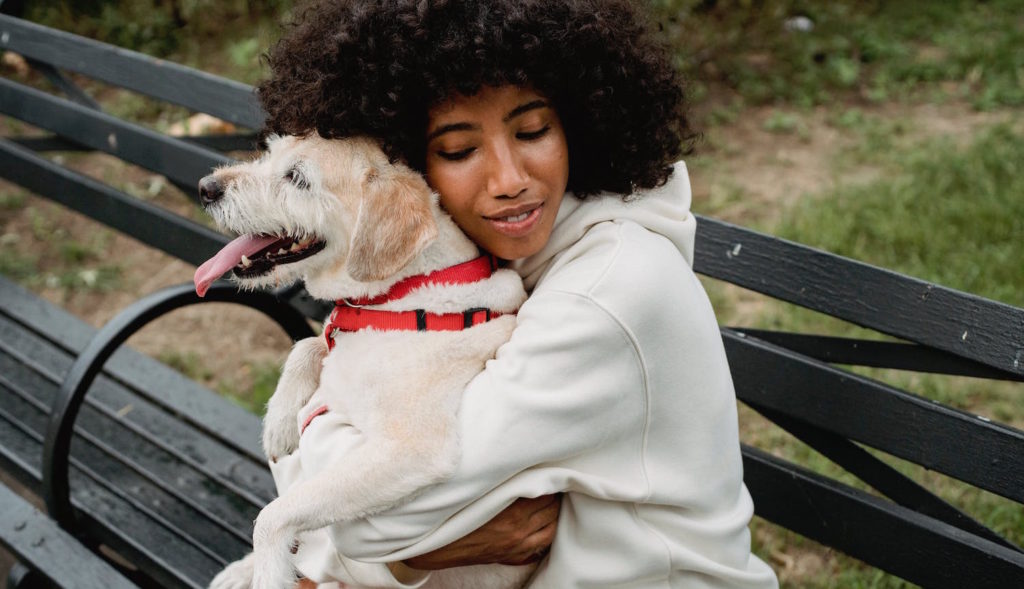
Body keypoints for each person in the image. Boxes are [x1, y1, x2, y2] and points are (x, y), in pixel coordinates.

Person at [258, 0, 779, 587]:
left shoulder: (608, 292)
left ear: (578, 125)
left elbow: (373, 519)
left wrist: (391, 541)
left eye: (533, 131)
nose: (509, 181)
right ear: (408, 169)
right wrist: (411, 552)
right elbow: (377, 524)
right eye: (458, 150)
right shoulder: (510, 261)